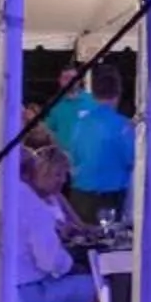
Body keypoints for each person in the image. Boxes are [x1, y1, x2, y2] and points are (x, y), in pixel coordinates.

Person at [0, 144, 102, 302]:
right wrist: (68, 266)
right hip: (21, 295)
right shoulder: (32, 205)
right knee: (96, 290)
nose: (61, 180)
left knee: (67, 288)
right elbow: (49, 261)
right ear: (33, 172)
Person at [60, 64, 135, 225]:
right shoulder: (124, 126)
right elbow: (132, 161)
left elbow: (73, 156)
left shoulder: (79, 124)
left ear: (92, 94)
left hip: (80, 195)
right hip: (111, 197)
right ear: (119, 92)